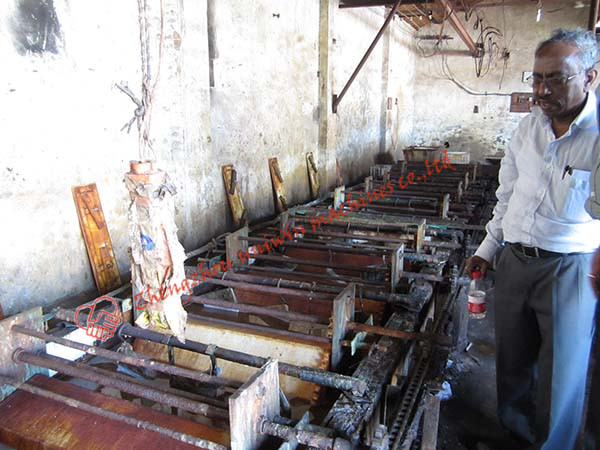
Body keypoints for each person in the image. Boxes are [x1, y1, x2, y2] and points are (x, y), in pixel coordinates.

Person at [465, 28, 600, 450]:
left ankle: (552, 445)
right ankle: (515, 434)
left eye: (557, 78)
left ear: (590, 77)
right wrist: (488, 250)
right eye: (537, 77)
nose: (542, 89)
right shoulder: (529, 129)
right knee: (513, 359)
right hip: (515, 259)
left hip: (570, 266)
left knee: (562, 372)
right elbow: (507, 196)